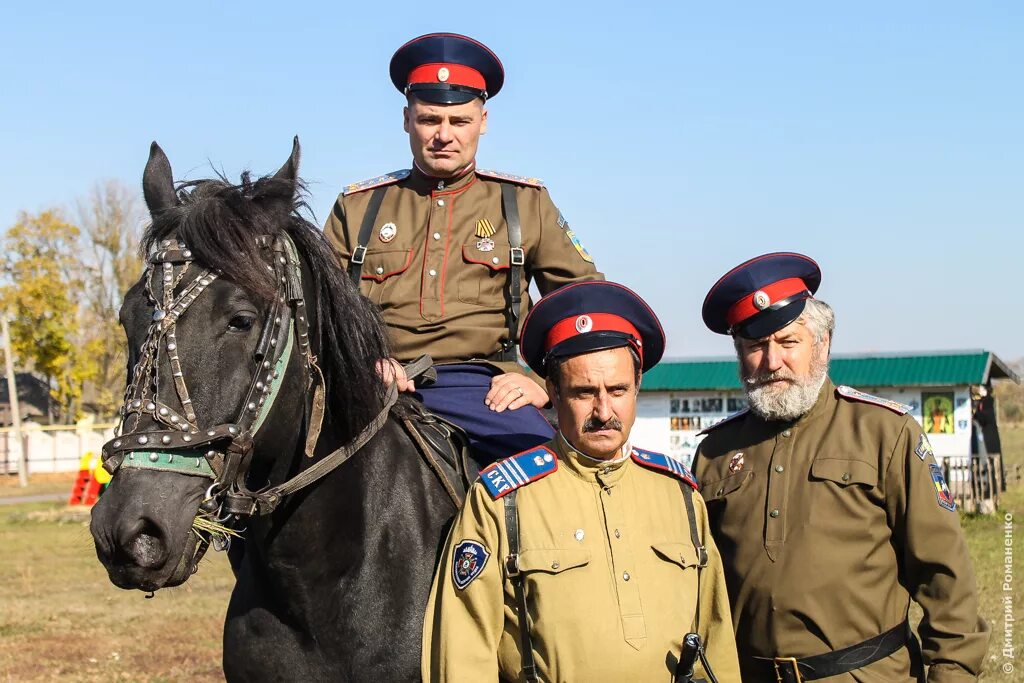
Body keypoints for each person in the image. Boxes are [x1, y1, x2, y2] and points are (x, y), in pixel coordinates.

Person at [422, 281, 740, 682]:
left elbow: (717, 642)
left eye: (618, 390)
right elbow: (462, 653)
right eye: (584, 392)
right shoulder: (501, 500)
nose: (604, 410)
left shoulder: (680, 495)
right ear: (552, 392)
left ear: (637, 387)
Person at [693, 252, 990, 682]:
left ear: (823, 343)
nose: (771, 361)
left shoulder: (885, 433)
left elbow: (945, 577)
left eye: (788, 342)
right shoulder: (715, 452)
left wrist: (953, 673)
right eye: (755, 346)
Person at [324, 33, 601, 459]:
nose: (444, 136)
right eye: (430, 120)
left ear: (483, 121)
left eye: (460, 122)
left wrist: (547, 384)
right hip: (377, 381)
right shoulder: (358, 208)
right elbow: (315, 309)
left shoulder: (525, 203)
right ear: (406, 119)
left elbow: (585, 306)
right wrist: (360, 364)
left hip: (487, 387)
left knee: (549, 477)